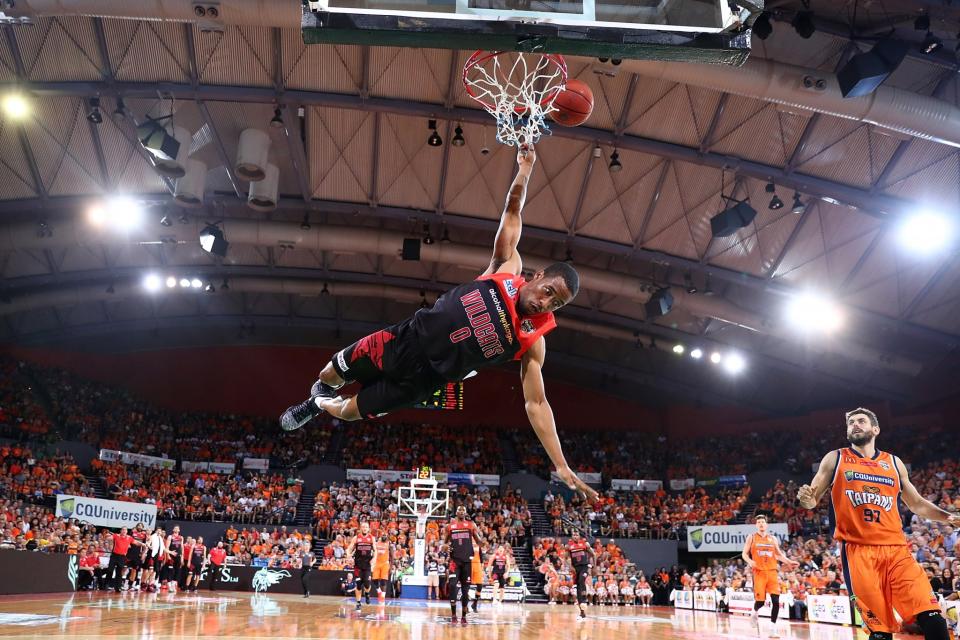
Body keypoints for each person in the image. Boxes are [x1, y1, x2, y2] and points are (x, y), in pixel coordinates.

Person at [280, 146, 597, 503]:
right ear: (538, 276)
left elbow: (537, 404)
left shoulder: (533, 341)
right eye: (549, 291)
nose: (546, 303)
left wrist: (561, 464)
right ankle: (315, 396)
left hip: (422, 382)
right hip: (405, 339)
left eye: (557, 304)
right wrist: (525, 170)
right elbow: (512, 211)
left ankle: (319, 406)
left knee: (350, 412)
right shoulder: (506, 267)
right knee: (329, 374)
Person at [797, 407, 960, 640]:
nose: (855, 424)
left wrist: (948, 517)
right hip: (858, 553)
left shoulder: (894, 463)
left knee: (932, 616)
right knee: (880, 632)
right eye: (851, 422)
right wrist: (807, 499)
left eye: (861, 421)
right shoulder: (836, 458)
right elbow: (812, 499)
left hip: (897, 551)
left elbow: (917, 503)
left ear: (875, 429)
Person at [741, 513, 798, 638]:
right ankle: (754, 612)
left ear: (766, 525)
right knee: (760, 602)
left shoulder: (773, 539)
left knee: (776, 601)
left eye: (763, 522)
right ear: (756, 525)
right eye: (759, 522)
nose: (761, 524)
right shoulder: (751, 537)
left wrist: (789, 561)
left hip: (772, 572)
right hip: (759, 573)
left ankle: (772, 628)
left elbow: (778, 555)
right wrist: (750, 561)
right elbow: (744, 554)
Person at [443, 506, 484, 624]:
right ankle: (453, 615)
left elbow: (478, 541)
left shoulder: (471, 525)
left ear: (465, 513)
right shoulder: (450, 527)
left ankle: (464, 616)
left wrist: (483, 541)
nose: (461, 512)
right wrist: (444, 546)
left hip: (467, 562)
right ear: (456, 513)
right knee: (452, 585)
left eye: (463, 510)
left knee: (465, 591)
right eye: (459, 510)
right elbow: (444, 543)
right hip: (454, 561)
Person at [346, 521, 377, 612]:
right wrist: (348, 555)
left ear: (368, 529)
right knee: (358, 585)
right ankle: (358, 603)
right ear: (360, 528)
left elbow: (375, 550)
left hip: (367, 565)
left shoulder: (372, 538)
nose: (364, 528)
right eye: (363, 527)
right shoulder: (356, 538)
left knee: (367, 583)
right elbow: (349, 549)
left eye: (366, 527)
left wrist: (374, 558)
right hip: (358, 565)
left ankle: (367, 594)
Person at [566, 530, 596, 619]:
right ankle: (582, 612)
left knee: (581, 580)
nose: (575, 536)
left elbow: (593, 554)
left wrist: (594, 566)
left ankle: (584, 600)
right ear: (572, 536)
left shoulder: (585, 544)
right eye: (573, 535)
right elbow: (566, 557)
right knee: (578, 586)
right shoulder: (568, 546)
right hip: (576, 568)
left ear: (579, 536)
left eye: (576, 535)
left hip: (584, 566)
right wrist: (570, 566)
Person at [372, 534, 391, 601]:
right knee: (374, 580)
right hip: (377, 563)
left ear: (387, 537)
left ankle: (383, 597)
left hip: (385, 563)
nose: (383, 536)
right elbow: (373, 552)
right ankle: (379, 592)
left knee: (383, 581)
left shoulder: (389, 544)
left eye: (385, 535)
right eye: (382, 535)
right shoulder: (377, 543)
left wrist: (391, 566)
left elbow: (392, 556)